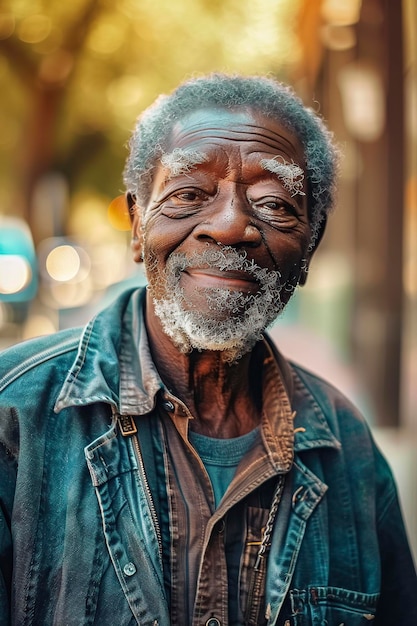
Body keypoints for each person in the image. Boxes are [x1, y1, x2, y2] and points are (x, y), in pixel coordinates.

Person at [0, 73, 416, 626]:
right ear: (136, 225)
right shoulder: (15, 417)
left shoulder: (348, 448)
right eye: (189, 195)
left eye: (272, 203)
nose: (229, 226)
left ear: (310, 244)